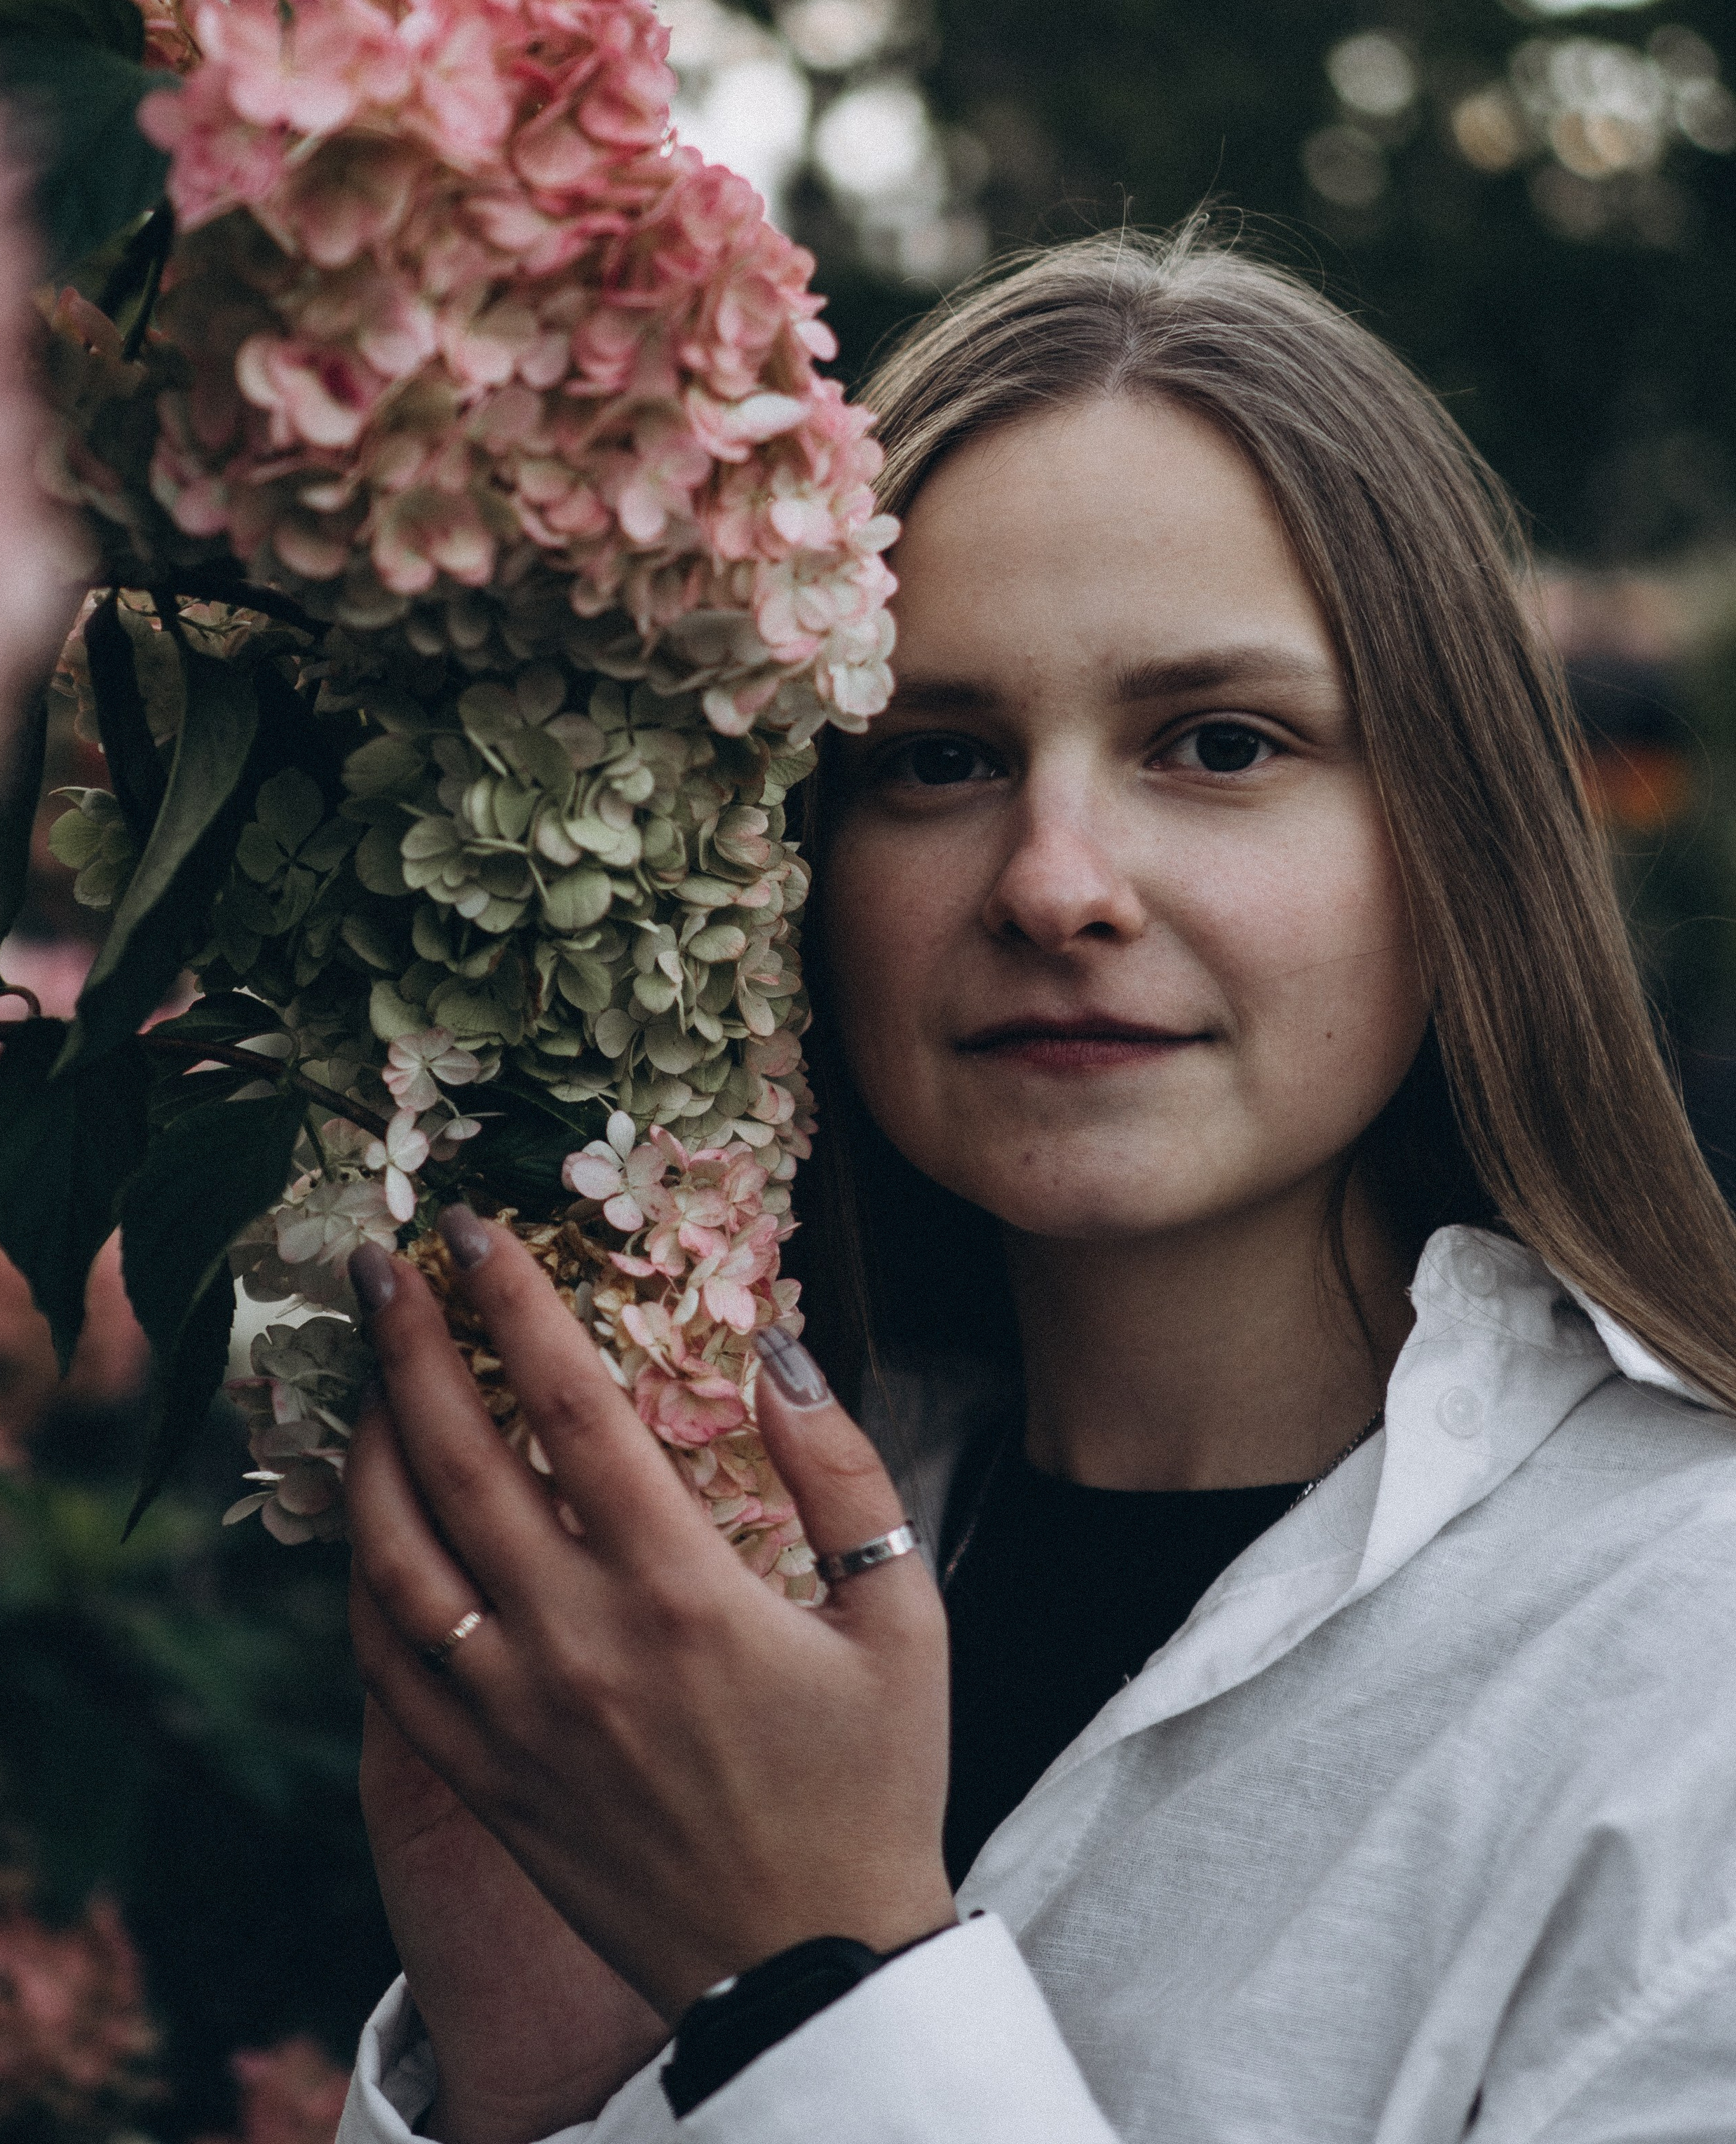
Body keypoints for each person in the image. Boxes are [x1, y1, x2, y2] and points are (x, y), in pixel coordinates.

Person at [336, 229, 1736, 2144]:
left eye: (1219, 744)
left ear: (1460, 836)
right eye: (934, 759)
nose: (1054, 879)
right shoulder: (690, 1609)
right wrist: (549, 2076)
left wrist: (818, 1973)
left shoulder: (1688, 1657)